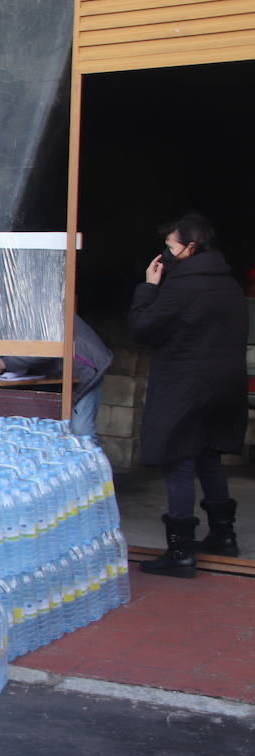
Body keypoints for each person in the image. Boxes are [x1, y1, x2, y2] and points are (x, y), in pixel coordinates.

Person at [130, 213, 247, 577]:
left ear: (191, 248)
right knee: (209, 456)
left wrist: (149, 287)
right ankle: (223, 536)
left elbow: (142, 327)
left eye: (171, 245)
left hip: (185, 384)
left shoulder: (181, 286)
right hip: (225, 384)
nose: (165, 251)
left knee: (178, 460)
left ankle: (180, 553)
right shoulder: (229, 284)